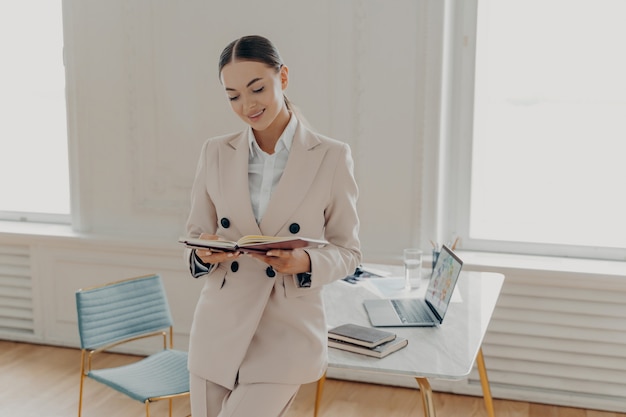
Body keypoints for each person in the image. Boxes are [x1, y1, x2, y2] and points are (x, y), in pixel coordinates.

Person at [184, 35, 361, 417]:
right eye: (233, 96)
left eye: (257, 88)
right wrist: (203, 251)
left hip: (286, 331)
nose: (247, 105)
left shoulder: (330, 156)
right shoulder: (215, 152)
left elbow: (348, 251)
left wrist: (306, 263)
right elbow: (196, 233)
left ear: (282, 77)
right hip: (219, 325)